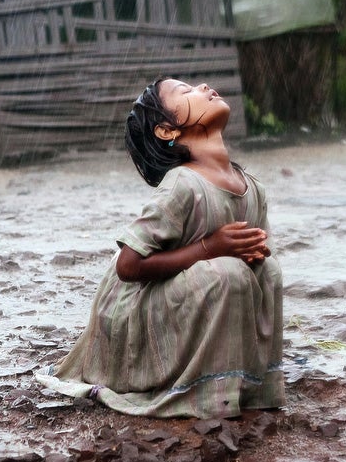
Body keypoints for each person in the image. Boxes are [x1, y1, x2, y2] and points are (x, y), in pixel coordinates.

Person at [36, 77, 285, 418]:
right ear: (167, 131)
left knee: (267, 272)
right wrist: (209, 248)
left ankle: (249, 385)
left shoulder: (251, 186)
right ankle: (198, 390)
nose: (204, 85)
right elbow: (128, 265)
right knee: (230, 273)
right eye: (185, 91)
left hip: (193, 293)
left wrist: (254, 252)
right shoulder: (183, 183)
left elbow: (258, 252)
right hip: (135, 307)